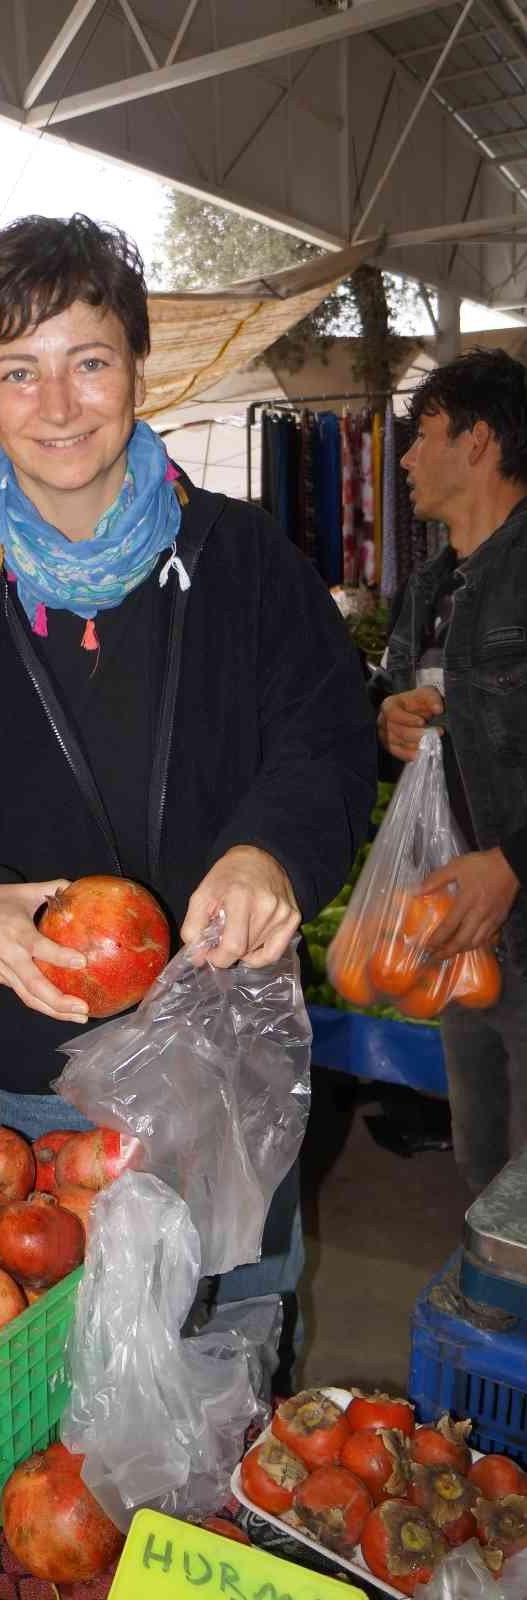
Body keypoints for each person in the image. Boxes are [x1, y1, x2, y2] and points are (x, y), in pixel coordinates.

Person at [0, 214, 376, 1312]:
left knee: (232, 1335)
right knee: (53, 1409)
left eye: (88, 361)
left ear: (134, 362)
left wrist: (270, 851)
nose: (60, 405)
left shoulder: (247, 564)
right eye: (19, 372)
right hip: (17, 1092)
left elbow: (329, 739)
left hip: (219, 1066)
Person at [374, 348, 527, 1197]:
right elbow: (400, 711)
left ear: (476, 442)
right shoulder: (429, 585)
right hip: (459, 930)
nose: (402, 459)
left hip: (515, 903)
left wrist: (511, 864)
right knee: (482, 1168)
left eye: (420, 434)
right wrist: (388, 722)